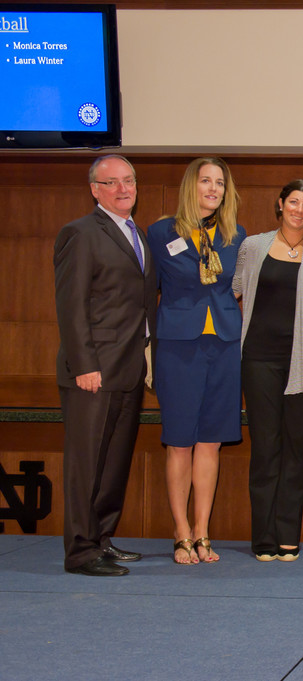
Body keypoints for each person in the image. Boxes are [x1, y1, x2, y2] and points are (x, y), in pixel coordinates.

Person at [54, 155, 158, 576]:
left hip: (129, 369)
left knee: (113, 463)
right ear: (94, 190)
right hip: (93, 371)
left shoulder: (137, 233)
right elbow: (71, 304)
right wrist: (84, 364)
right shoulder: (80, 233)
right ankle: (80, 552)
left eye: (128, 180)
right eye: (111, 182)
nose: (123, 188)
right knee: (87, 465)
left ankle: (101, 539)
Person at [147, 157, 245, 565]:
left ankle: (203, 530)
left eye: (220, 183)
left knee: (211, 441)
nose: (213, 189)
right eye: (206, 181)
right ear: (192, 185)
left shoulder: (235, 235)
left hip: (224, 344)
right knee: (180, 441)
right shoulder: (160, 232)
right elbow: (147, 291)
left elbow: (237, 286)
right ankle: (181, 531)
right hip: (178, 346)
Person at [234, 180, 303, 562]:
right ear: (280, 204)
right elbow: (232, 293)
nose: (299, 210)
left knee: (297, 450)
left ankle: (288, 534)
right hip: (259, 361)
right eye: (294, 202)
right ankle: (264, 537)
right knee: (265, 449)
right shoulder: (253, 246)